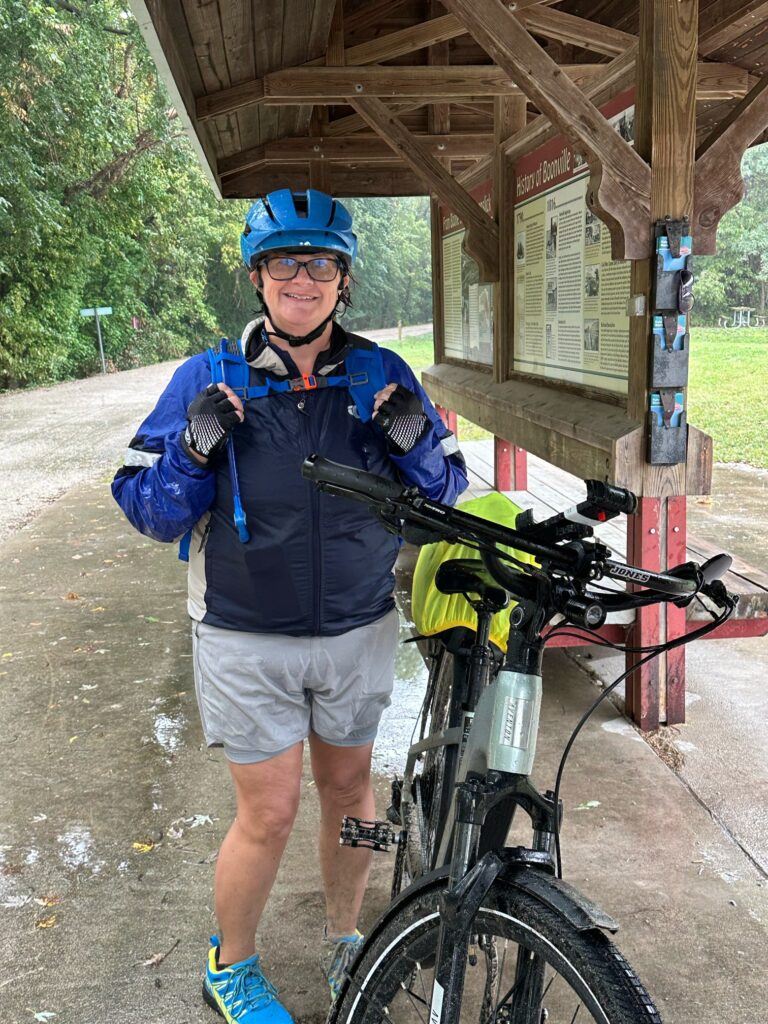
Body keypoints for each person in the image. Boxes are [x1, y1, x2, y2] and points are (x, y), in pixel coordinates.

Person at [112, 188, 468, 1024]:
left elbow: (447, 494)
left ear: (343, 280)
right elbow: (150, 509)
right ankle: (230, 968)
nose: (300, 279)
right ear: (257, 276)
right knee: (268, 813)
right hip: (245, 637)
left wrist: (416, 441)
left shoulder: (382, 374)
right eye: (284, 262)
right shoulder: (207, 377)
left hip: (356, 628)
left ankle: (350, 942)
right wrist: (195, 449)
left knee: (351, 795)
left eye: (319, 264)